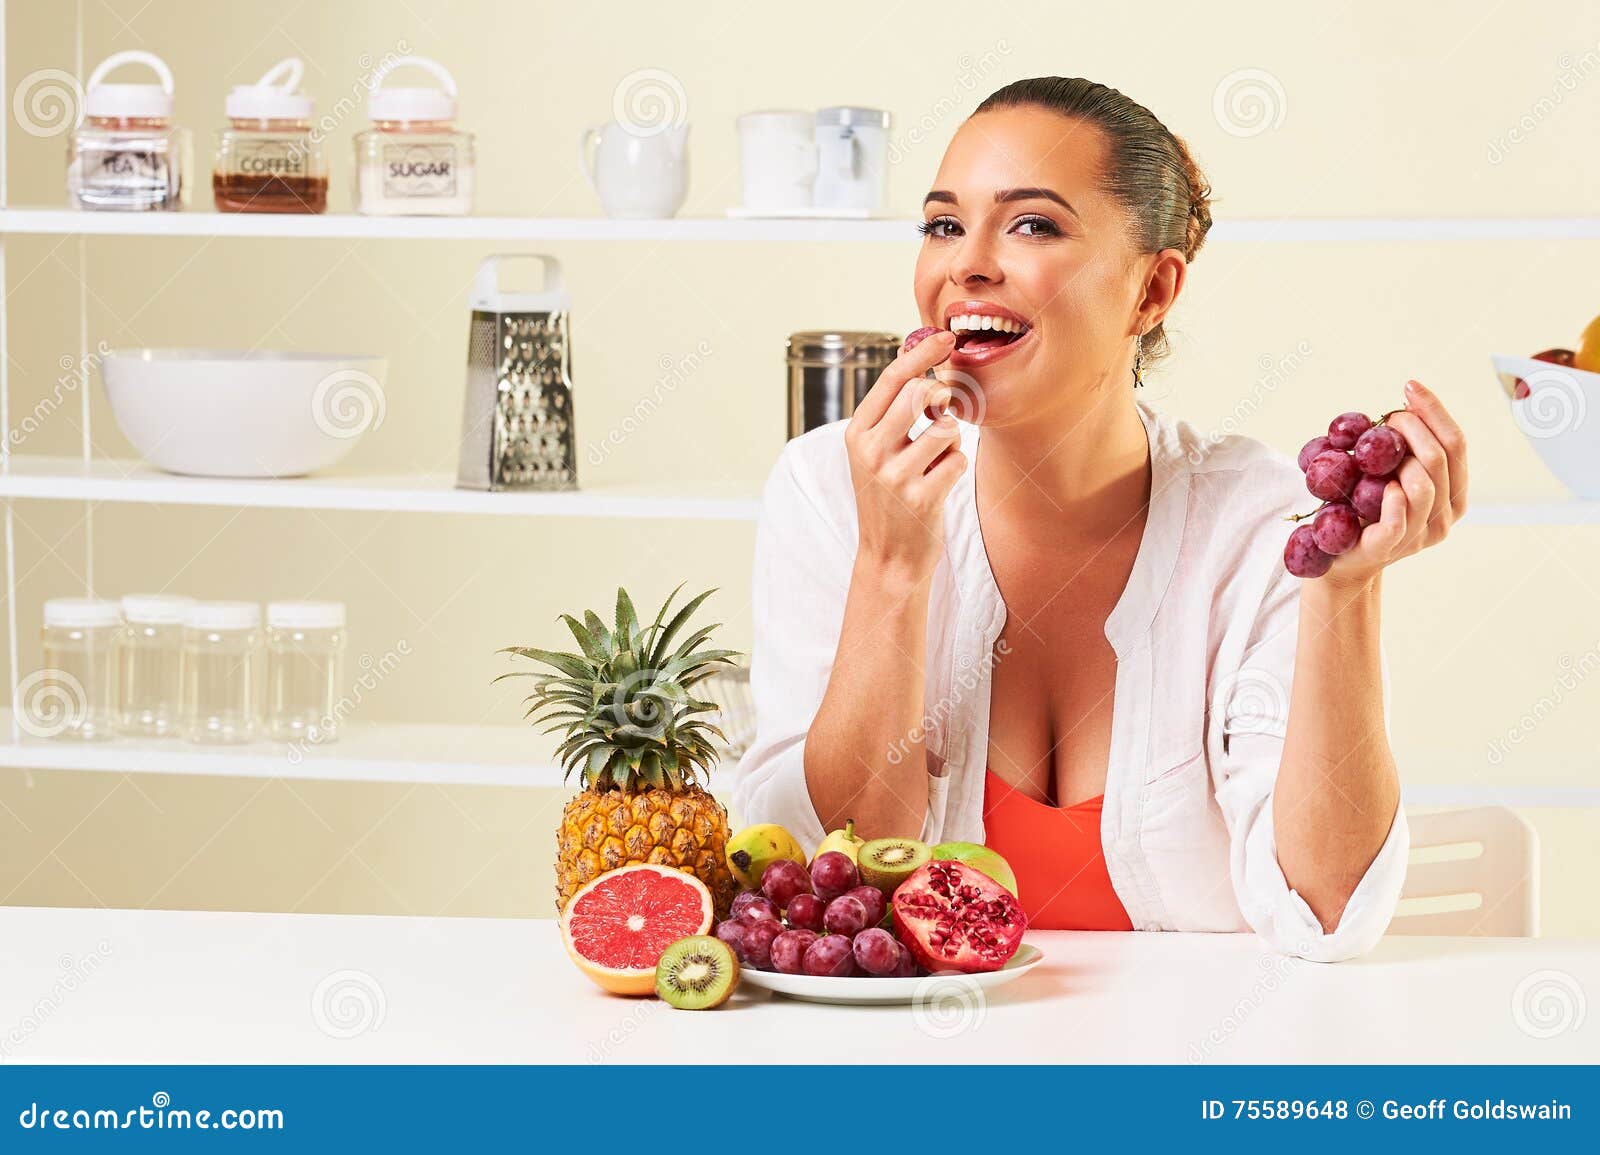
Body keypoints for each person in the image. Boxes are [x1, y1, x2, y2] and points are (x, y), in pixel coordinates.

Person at [730, 77, 1467, 962]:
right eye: (942, 224)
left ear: (1152, 291)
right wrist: (891, 569)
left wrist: (1344, 592)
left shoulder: (1261, 521)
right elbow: (822, 890)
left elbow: (1327, 912)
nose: (967, 263)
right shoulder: (830, 489)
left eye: (1032, 224)